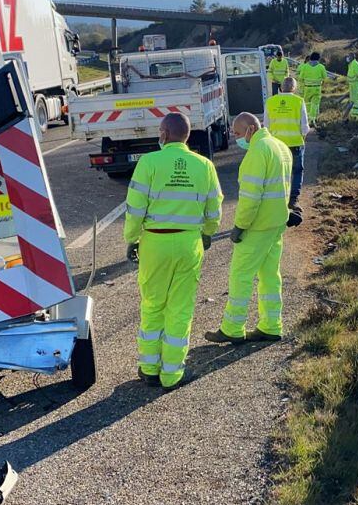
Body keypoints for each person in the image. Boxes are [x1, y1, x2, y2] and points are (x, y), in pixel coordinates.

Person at [124, 112, 223, 389]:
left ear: (164, 135)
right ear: (187, 136)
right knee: (180, 309)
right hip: (189, 243)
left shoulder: (149, 162)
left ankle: (149, 369)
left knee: (153, 305)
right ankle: (172, 374)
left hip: (154, 242)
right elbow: (214, 209)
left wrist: (132, 239)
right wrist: (207, 234)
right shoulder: (204, 165)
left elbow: (135, 208)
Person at [205, 113, 292, 344]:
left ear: (251, 129)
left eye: (237, 133)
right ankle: (271, 325)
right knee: (270, 277)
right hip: (276, 224)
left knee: (241, 275)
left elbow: (251, 197)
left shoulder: (257, 152)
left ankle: (233, 328)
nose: (236, 139)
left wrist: (239, 227)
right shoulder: (280, 147)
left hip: (257, 226)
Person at [263, 76, 309, 211]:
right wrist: (303, 138)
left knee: (279, 173)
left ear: (281, 88)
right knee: (297, 171)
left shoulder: (270, 102)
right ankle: (293, 200)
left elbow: (266, 125)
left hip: (277, 145)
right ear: (294, 88)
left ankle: (278, 200)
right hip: (295, 144)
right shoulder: (299, 101)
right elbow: (304, 127)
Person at [297, 52, 327, 126]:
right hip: (317, 88)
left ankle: (306, 119)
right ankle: (312, 119)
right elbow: (325, 77)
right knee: (315, 103)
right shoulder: (321, 67)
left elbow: (300, 78)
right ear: (318, 58)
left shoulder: (305, 67)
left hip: (307, 88)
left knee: (307, 103)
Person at [346, 53, 358, 119]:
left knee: (355, 99)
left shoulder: (355, 64)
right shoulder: (351, 64)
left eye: (348, 56)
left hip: (356, 84)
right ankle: (352, 113)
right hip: (352, 84)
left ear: (352, 57)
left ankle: (356, 115)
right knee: (352, 99)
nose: (347, 58)